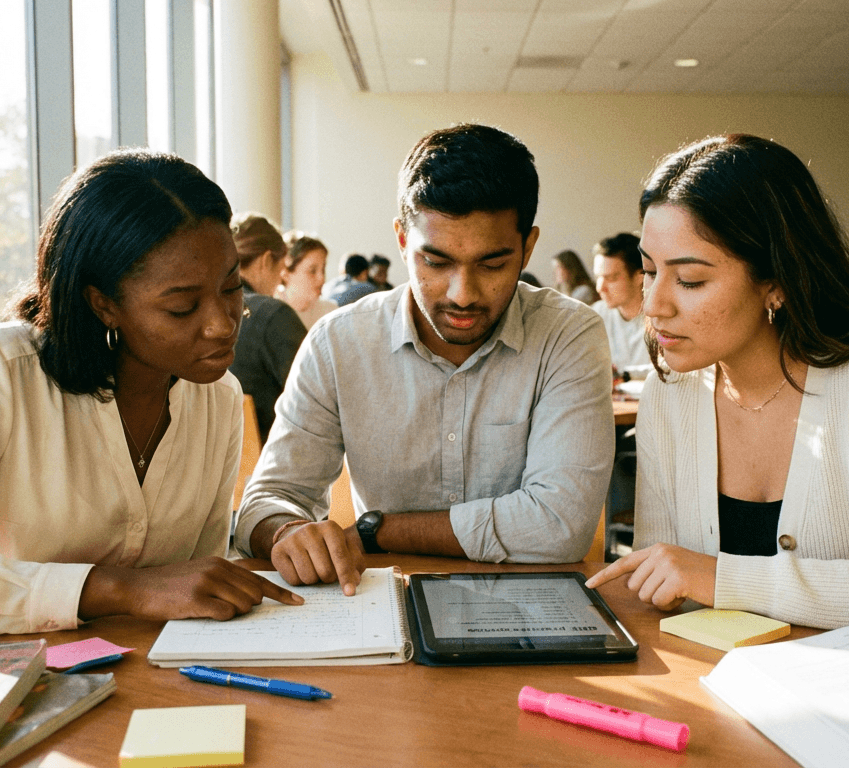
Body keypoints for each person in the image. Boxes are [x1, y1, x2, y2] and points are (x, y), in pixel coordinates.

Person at [0, 149, 301, 636]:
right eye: (182, 307)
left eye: (232, 288)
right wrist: (117, 589)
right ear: (103, 304)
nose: (221, 325)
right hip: (9, 679)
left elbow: (192, 583)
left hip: (147, 676)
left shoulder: (219, 398)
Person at [586, 134, 849, 633]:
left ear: (778, 280)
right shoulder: (671, 389)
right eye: (649, 271)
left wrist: (728, 580)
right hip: (722, 692)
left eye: (690, 281)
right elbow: (665, 588)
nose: (655, 305)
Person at [234, 123, 613, 595]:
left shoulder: (567, 335)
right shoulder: (339, 342)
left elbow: (559, 525)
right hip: (382, 608)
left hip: (534, 610)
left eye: (493, 265)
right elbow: (266, 500)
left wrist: (378, 529)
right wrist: (288, 533)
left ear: (527, 248)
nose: (463, 294)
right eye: (435, 263)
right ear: (400, 240)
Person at [229, 212, 307, 442]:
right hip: (268, 464)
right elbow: (320, 398)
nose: (278, 284)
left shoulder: (197, 312)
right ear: (265, 261)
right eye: (281, 270)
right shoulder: (272, 315)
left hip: (209, 465)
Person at [591, 232, 648, 370]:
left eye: (610, 278)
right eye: (598, 277)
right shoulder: (595, 314)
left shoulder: (661, 317)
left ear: (639, 277)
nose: (600, 288)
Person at [275, 232, 338, 330]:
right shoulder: (271, 314)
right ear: (285, 274)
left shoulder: (330, 313)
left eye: (323, 269)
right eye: (312, 271)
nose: (321, 277)